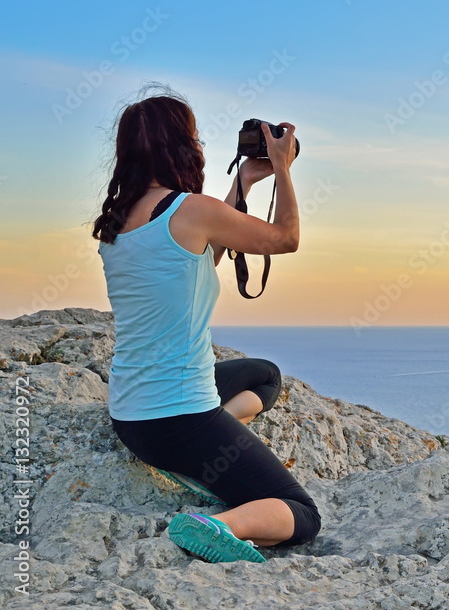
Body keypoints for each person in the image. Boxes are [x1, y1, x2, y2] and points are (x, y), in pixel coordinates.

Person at [92, 89, 320, 563]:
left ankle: (208, 447)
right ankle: (213, 523)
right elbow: (286, 239)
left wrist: (246, 182)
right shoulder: (191, 209)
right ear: (182, 145)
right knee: (301, 514)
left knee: (264, 375)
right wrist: (282, 167)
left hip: (131, 416)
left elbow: (200, 257)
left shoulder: (116, 223)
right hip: (179, 417)